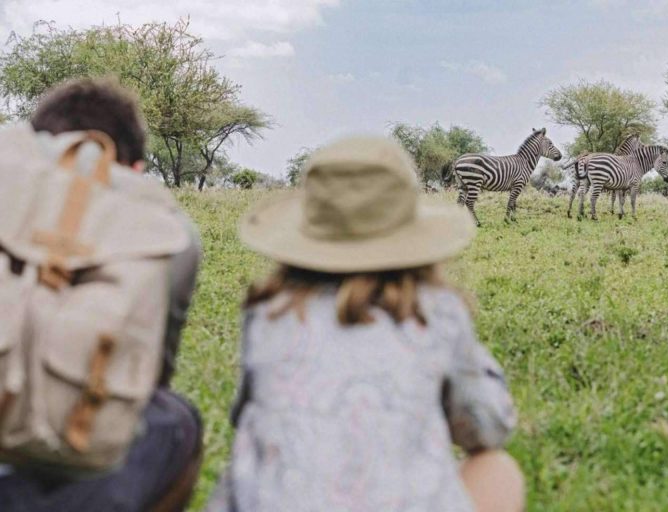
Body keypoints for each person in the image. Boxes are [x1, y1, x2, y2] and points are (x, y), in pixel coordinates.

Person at [206, 137, 525, 512]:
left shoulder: (266, 312)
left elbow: (243, 414)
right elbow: (489, 425)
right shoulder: (438, 310)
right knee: (498, 469)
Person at [0, 78, 203, 512]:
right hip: (79, 450)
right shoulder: (172, 233)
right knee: (179, 418)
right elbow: (148, 377)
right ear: (133, 170)